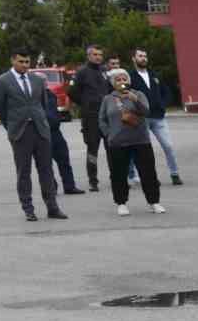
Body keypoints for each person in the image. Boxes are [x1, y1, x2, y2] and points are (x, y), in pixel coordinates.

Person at [0, 50, 67, 222]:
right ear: (13, 60)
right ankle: (28, 209)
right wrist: (11, 127)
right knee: (23, 172)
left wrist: (43, 122)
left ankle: (52, 207)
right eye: (21, 61)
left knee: (46, 170)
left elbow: (43, 104)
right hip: (20, 132)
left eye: (27, 62)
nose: (25, 65)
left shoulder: (38, 80)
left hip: (41, 130)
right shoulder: (2, 81)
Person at [99, 68, 165, 216]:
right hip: (118, 142)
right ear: (113, 83)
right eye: (118, 80)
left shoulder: (139, 94)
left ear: (128, 81)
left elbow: (147, 111)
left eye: (124, 79)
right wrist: (109, 134)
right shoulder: (108, 99)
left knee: (148, 173)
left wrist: (135, 99)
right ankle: (121, 203)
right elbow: (102, 120)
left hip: (140, 140)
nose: (122, 82)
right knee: (118, 174)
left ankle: (154, 202)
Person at [125, 48, 182, 187]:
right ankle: (149, 177)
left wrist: (163, 104)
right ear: (134, 58)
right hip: (141, 119)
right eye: (140, 56)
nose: (143, 58)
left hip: (158, 117)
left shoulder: (155, 75)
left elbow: (167, 92)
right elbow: (125, 95)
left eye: (145, 56)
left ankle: (174, 174)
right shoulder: (129, 76)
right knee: (145, 151)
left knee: (168, 146)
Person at [69, 44, 111, 192]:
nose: (98, 57)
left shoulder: (105, 71)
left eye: (100, 54)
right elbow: (72, 92)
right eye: (95, 54)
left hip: (107, 117)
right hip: (91, 118)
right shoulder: (81, 72)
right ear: (88, 56)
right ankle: (93, 181)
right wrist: (86, 104)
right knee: (92, 150)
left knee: (111, 148)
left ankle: (115, 177)